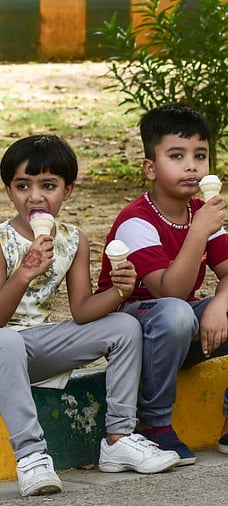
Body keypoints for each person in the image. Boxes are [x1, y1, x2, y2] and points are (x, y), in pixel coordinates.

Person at [96, 104, 228, 464]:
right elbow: (169, 292)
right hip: (143, 332)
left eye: (200, 156)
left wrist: (217, 306)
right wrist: (199, 231)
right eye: (176, 155)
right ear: (150, 168)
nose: (191, 166)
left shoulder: (200, 212)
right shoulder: (136, 221)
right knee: (176, 312)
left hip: (184, 326)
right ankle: (155, 426)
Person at [0, 135, 180, 497]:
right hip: (4, 345)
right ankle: (33, 458)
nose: (35, 197)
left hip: (42, 344)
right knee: (5, 341)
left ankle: (119, 438)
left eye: (48, 186)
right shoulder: (2, 240)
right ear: (9, 191)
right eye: (23, 186)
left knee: (125, 325)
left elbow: (82, 310)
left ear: (68, 190)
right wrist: (23, 273)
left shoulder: (72, 239)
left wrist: (119, 292)